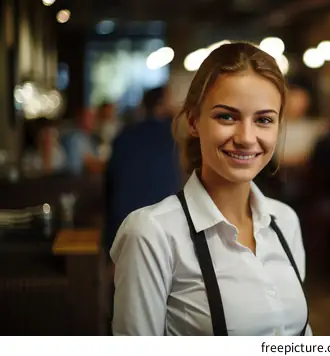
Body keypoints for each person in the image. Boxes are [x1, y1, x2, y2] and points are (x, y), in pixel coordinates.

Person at [110, 42, 310, 336]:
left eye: (264, 120)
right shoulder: (152, 232)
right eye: (226, 116)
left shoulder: (285, 221)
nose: (246, 137)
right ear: (193, 121)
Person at [104, 86, 181, 254]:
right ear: (163, 105)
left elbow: (110, 182)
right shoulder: (173, 136)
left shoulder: (124, 134)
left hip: (122, 226)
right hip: (165, 228)